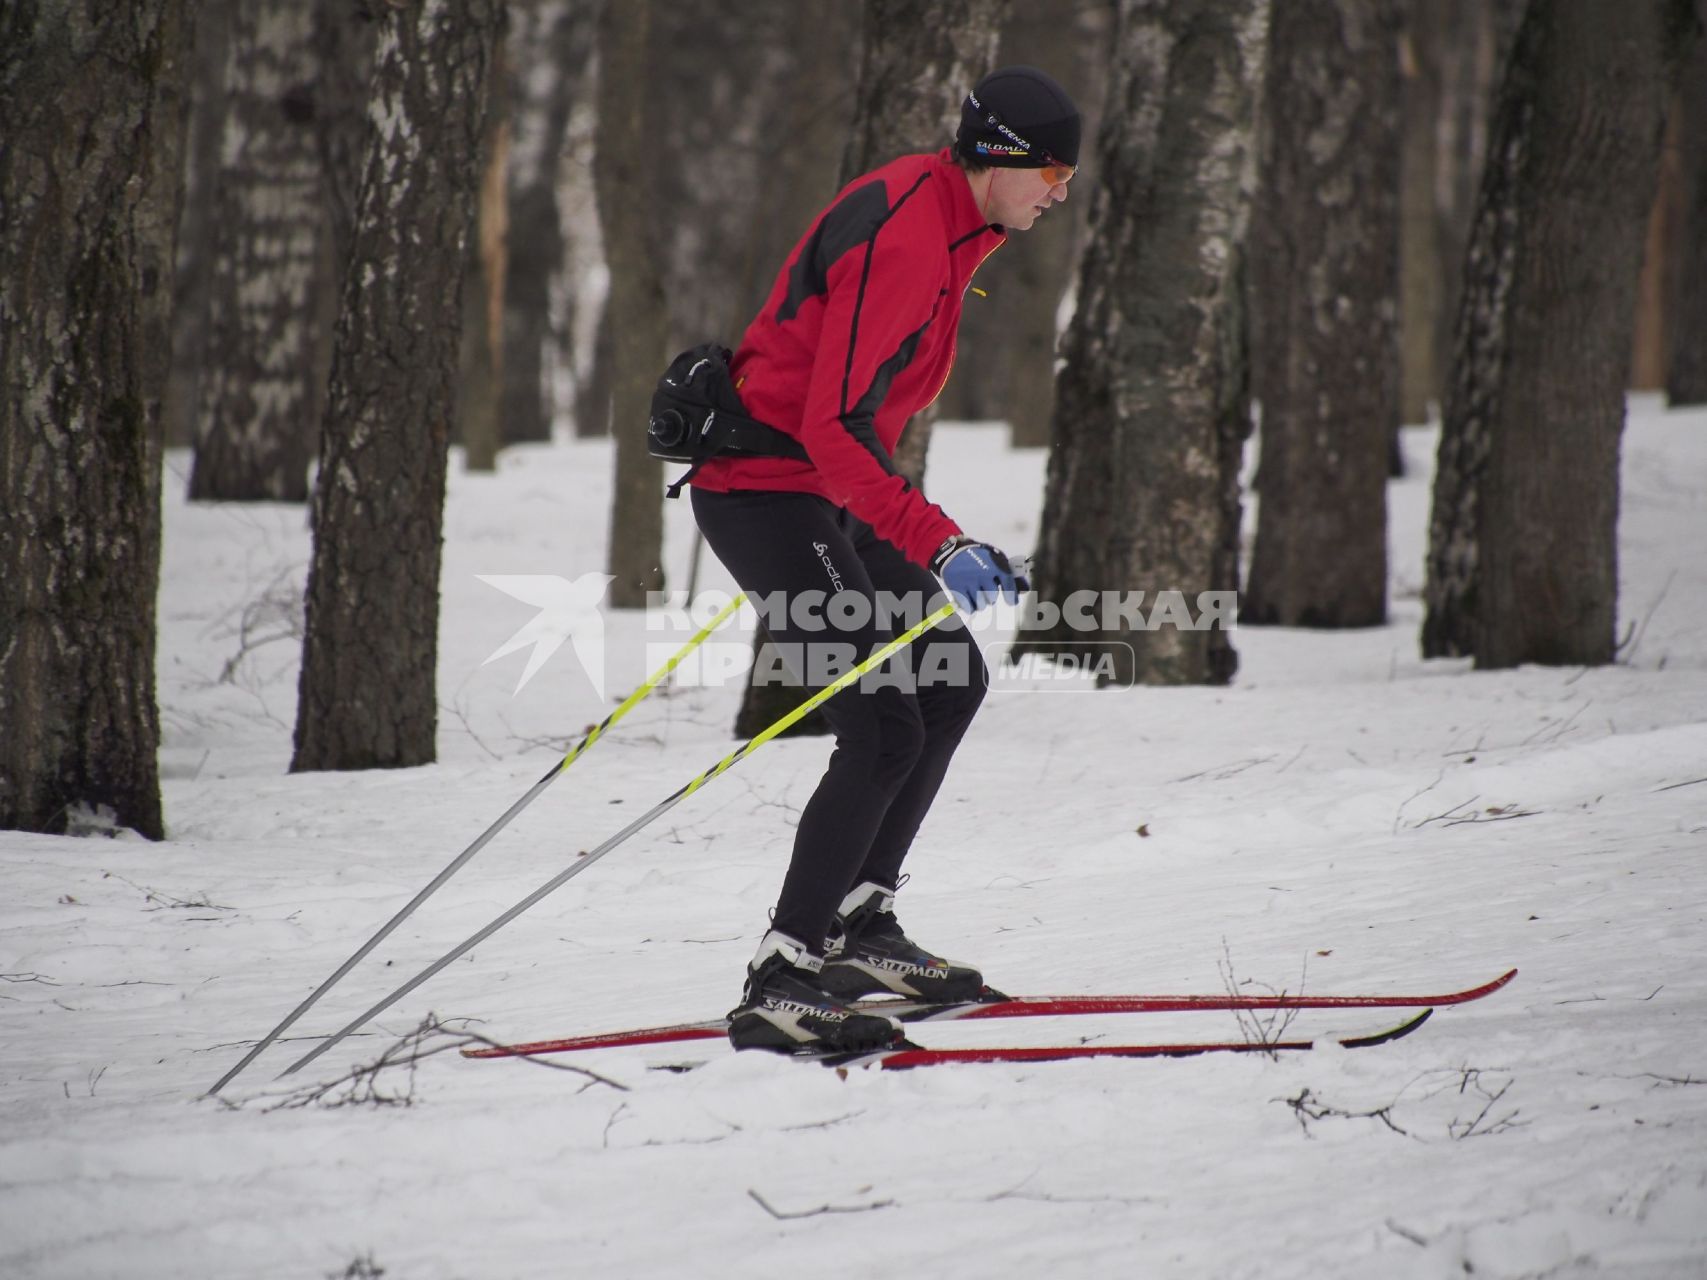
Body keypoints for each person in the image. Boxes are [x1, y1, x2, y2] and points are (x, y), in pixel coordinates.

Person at [688, 66, 1081, 1053]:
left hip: (824, 489)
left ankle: (859, 925)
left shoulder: (958, 226)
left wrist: (918, 531)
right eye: (1054, 171)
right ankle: (783, 971)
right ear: (1001, 159)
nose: (1061, 192)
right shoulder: (912, 232)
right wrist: (938, 539)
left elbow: (853, 424)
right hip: (767, 491)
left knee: (949, 684)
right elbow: (830, 423)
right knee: (881, 724)